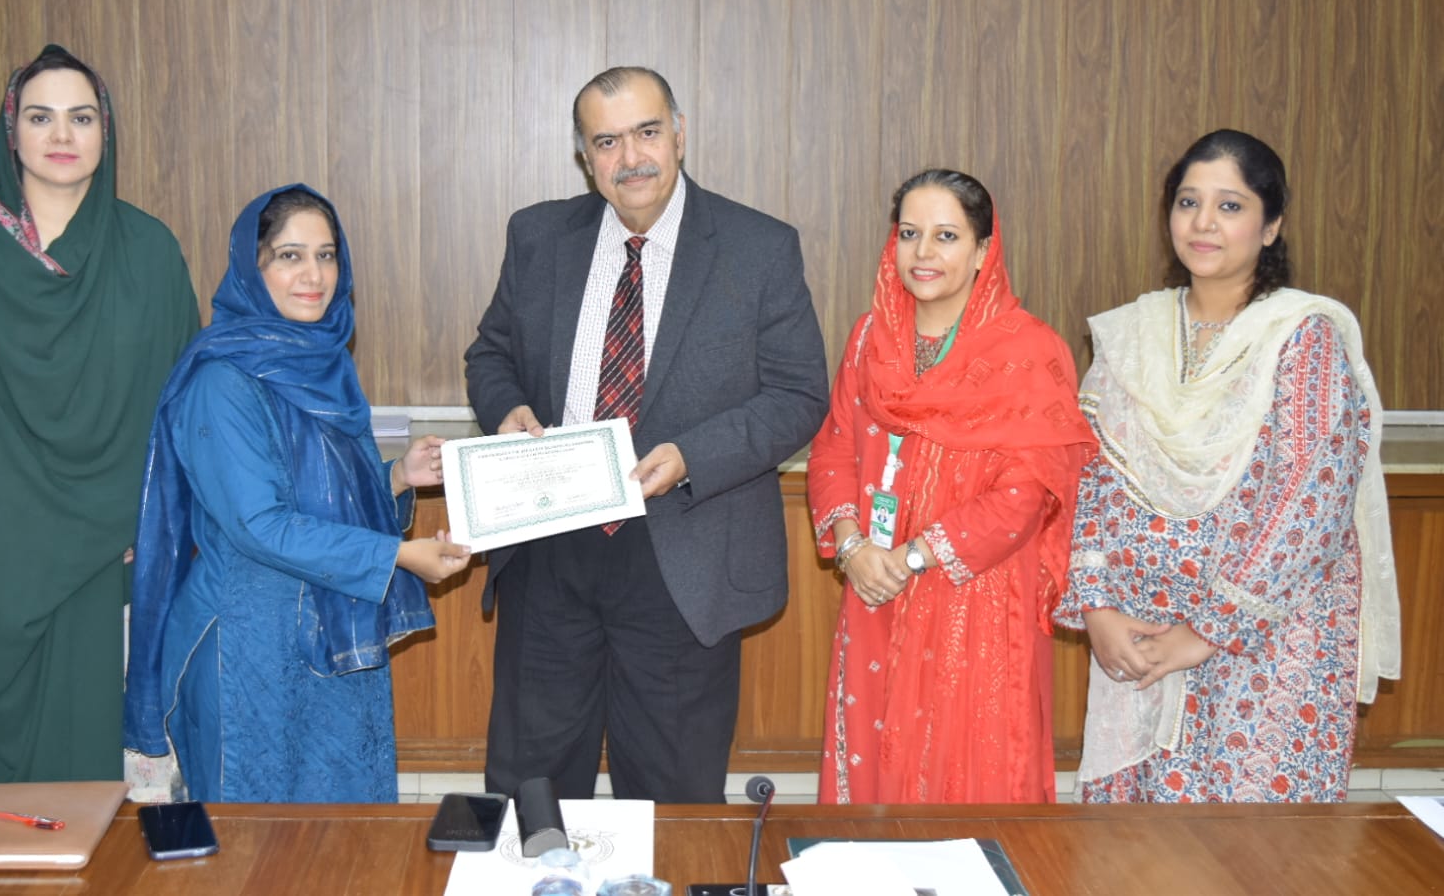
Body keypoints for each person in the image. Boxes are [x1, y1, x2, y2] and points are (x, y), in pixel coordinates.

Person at [464, 66, 830, 803]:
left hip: (684, 553)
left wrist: (693, 455)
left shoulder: (758, 247)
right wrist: (507, 411)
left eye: (647, 132)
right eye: (607, 142)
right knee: (530, 783)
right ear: (585, 157)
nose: (630, 157)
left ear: (679, 135)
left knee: (673, 793)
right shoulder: (538, 236)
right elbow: (490, 354)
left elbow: (798, 396)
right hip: (550, 547)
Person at [0, 45, 199, 799]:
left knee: (98, 782)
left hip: (110, 548)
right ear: (10, 131)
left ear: (105, 132)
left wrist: (150, 521)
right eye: (40, 116)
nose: (61, 135)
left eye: (81, 118)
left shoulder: (149, 252)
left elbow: (183, 411)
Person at [1058, 129, 1402, 802]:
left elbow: (1308, 505)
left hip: (1267, 646)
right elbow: (1093, 480)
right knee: (1135, 844)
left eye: (1230, 206)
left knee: (1248, 844)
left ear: (1270, 226)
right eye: (1188, 202)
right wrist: (1097, 607)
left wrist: (1206, 632)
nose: (1203, 222)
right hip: (1140, 638)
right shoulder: (1135, 336)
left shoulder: (1302, 338)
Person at [123, 184, 471, 803]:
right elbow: (260, 524)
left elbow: (322, 494)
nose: (314, 276)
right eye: (289, 256)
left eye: (326, 255)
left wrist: (396, 477)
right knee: (256, 835)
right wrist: (397, 556)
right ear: (251, 267)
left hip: (332, 633)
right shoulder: (220, 380)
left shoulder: (323, 364)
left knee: (341, 831)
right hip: (248, 647)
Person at [807, 169, 1096, 804]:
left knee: (964, 771)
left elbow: (1025, 495)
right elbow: (834, 448)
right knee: (874, 770)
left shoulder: (1030, 351)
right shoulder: (870, 338)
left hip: (975, 599)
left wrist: (911, 558)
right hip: (875, 587)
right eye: (910, 234)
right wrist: (854, 549)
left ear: (984, 250)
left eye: (946, 236)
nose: (924, 253)